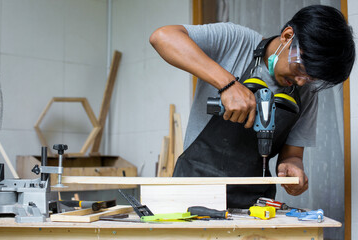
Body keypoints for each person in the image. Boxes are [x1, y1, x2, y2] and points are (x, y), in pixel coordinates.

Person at [150, 5, 355, 208]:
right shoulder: (237, 41)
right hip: (193, 191)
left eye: (311, 78)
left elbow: (292, 154)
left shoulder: (305, 93)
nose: (301, 82)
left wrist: (292, 166)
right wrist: (227, 84)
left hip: (254, 203)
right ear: (287, 36)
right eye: (300, 68)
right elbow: (163, 37)